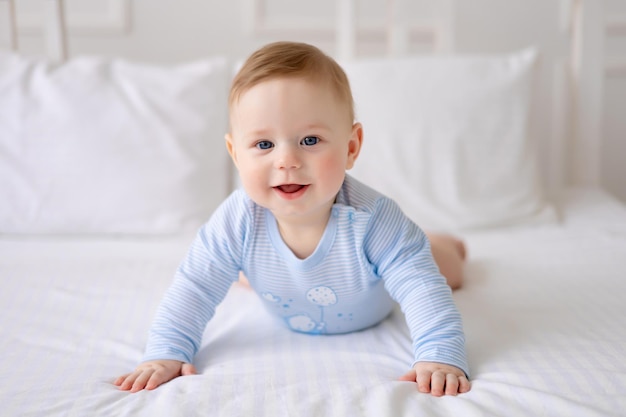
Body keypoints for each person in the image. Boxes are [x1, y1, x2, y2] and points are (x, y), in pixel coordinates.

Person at [114, 41, 471, 396]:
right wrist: (166, 352)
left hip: (373, 285)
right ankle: (260, 270)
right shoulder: (237, 221)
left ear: (351, 147)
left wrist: (439, 356)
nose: (286, 161)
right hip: (285, 279)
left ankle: (439, 242)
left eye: (310, 139)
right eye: (264, 145)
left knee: (443, 269)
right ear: (235, 154)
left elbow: (421, 289)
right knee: (229, 269)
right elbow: (194, 286)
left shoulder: (375, 220)